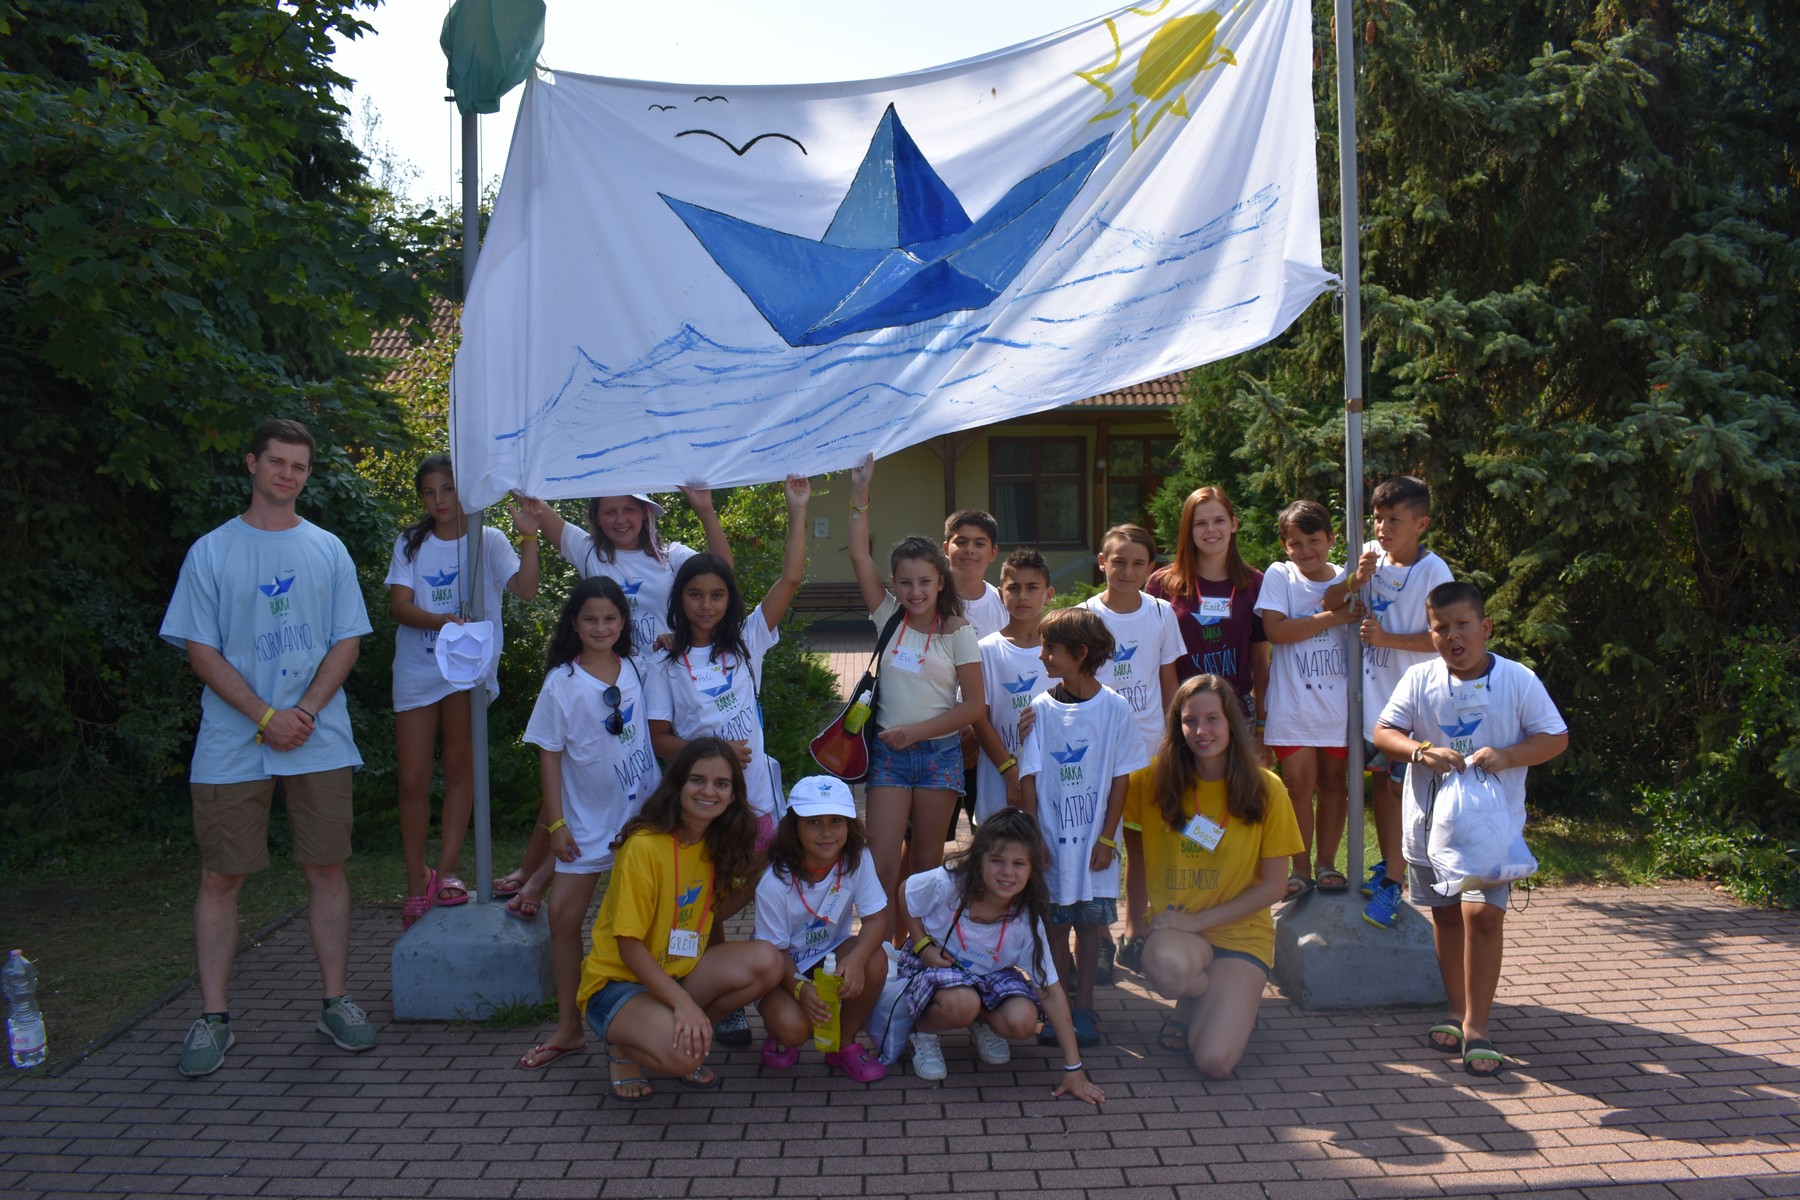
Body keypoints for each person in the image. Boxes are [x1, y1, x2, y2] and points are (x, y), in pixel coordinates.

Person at [159, 418, 377, 1077]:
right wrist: (265, 717)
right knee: (221, 876)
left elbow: (347, 641)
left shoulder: (327, 549)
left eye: (299, 466)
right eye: (277, 462)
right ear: (252, 464)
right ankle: (214, 1017)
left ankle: (335, 1002)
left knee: (327, 868)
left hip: (319, 737)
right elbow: (201, 650)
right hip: (232, 740)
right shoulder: (212, 552)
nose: (288, 474)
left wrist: (301, 713)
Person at [497, 488, 733, 903]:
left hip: (664, 684)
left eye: (629, 509)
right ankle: (531, 873)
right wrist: (512, 471)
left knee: (662, 783)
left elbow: (721, 575)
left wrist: (705, 509)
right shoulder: (589, 551)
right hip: (607, 682)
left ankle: (684, 884)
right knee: (572, 780)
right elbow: (538, 507)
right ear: (596, 516)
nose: (620, 519)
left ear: (646, 513)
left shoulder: (672, 556)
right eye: (609, 511)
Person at [1373, 581, 1568, 1077]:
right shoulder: (1419, 678)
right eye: (1441, 628)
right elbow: (1383, 732)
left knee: (1482, 917)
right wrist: (1420, 751)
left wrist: (1508, 756)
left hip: (1490, 833)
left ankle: (1479, 1027)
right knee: (1447, 918)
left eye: (1463, 625)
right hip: (1428, 829)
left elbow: (1555, 737)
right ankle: (1457, 1011)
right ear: (1431, 634)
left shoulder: (1518, 679)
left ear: (1486, 627)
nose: (1453, 636)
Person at [645, 474, 810, 1046]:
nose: (707, 605)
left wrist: (797, 508)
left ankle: (699, 960)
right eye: (695, 595)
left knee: (755, 870)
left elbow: (791, 577)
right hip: (703, 801)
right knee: (706, 886)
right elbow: (658, 739)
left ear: (728, 600)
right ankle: (715, 999)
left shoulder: (745, 641)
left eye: (717, 595)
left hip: (756, 793)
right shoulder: (665, 665)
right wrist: (709, 755)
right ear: (679, 600)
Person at [577, 738, 788, 1100]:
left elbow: (713, 913)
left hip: (678, 971)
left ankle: (684, 1028)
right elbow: (628, 945)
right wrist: (683, 1003)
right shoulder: (644, 845)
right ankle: (624, 1048)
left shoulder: (715, 841)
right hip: (617, 983)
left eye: (721, 784)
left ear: (733, 795)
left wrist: (760, 875)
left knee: (768, 962)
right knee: (685, 1056)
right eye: (697, 780)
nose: (709, 791)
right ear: (677, 784)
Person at [385, 455, 542, 927]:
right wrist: (445, 623)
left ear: (465, 490)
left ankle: (448, 870)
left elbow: (527, 590)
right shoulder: (411, 543)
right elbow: (399, 607)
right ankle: (418, 879)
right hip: (419, 670)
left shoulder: (487, 540)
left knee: (459, 769)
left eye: (448, 489)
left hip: (467, 673)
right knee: (413, 779)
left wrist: (530, 537)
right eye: (429, 492)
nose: (439, 500)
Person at [1122, 675, 1304, 1078]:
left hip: (1242, 937)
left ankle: (1212, 1004)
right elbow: (1101, 793)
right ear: (1177, 726)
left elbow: (1275, 886)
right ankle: (1199, 997)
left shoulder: (1267, 789)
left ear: (1231, 723)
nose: (1201, 731)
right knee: (1168, 970)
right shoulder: (1151, 780)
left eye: (1212, 719)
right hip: (1179, 934)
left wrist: (1199, 920)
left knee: (1214, 1061)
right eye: (1190, 721)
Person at [514, 577, 658, 1072]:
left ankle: (646, 1020)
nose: (601, 627)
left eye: (610, 618)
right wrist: (556, 824)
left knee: (639, 923)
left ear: (623, 622)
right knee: (562, 918)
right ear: (574, 623)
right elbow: (550, 757)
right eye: (590, 619)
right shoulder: (562, 683)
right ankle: (568, 1028)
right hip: (586, 824)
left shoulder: (636, 667)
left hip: (642, 821)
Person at [846, 454, 986, 927]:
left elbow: (974, 706)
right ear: (893, 584)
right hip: (889, 754)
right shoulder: (888, 615)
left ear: (940, 581)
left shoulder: (958, 631)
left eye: (925, 581)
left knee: (925, 868)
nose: (915, 591)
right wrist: (860, 493)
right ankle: (880, 950)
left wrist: (918, 732)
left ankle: (913, 950)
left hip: (940, 755)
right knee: (882, 865)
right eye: (905, 582)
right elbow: (859, 555)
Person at [879, 810, 1104, 1103]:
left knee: (1024, 1020)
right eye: (997, 860)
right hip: (934, 963)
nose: (1007, 872)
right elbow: (905, 892)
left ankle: (980, 1021)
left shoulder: (1026, 920)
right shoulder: (950, 884)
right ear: (979, 859)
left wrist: (1074, 1068)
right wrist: (923, 946)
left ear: (1032, 869)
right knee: (963, 1002)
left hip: (989, 975)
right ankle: (924, 1034)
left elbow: (1050, 991)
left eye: (1018, 863)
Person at [1322, 476, 1455, 929]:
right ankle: (1389, 865)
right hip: (1371, 701)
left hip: (1412, 704)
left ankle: (1396, 882)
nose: (1382, 528)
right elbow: (1329, 600)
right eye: (1378, 519)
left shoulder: (1433, 571)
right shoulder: (1369, 556)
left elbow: (1443, 637)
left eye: (1394, 520)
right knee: (1381, 786)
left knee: (1402, 790)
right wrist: (1356, 579)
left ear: (1421, 524)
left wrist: (1387, 639)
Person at [1016, 607, 1148, 1046]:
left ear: (1080, 652)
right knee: (1054, 929)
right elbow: (1030, 777)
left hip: (1095, 847)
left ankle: (1085, 1009)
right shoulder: (1039, 710)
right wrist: (1035, 839)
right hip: (1052, 847)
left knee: (1090, 929)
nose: (1041, 655)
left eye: (1050, 647)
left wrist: (1107, 838)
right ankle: (1058, 1011)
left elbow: (1121, 778)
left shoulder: (1115, 709)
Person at [1081, 523, 1183, 977]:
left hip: (1149, 751)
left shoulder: (1161, 613)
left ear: (1150, 568)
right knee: (1098, 845)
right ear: (1102, 561)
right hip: (1097, 754)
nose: (1126, 571)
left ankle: (1134, 932)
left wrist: (1175, 742)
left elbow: (1168, 681)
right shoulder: (1083, 617)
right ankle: (1099, 937)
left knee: (1141, 846)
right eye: (1118, 561)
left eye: (1137, 563)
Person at [751, 776, 891, 1082]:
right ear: (794, 827)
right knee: (793, 1030)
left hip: (828, 956)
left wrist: (855, 961)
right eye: (813, 822)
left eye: (836, 821)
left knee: (874, 958)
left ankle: (843, 1045)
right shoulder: (775, 882)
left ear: (849, 825)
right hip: (779, 968)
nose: (827, 832)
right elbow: (774, 952)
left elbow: (876, 919)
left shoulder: (857, 858)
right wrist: (800, 990)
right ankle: (779, 1026)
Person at [1255, 500, 1357, 897]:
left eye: (1314, 540)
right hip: (1293, 707)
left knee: (1333, 784)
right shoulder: (1280, 575)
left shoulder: (1348, 580)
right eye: (1295, 543)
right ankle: (1299, 869)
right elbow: (1277, 632)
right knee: (1297, 785)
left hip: (1338, 710)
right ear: (1285, 545)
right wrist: (1333, 617)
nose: (1305, 551)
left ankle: (1326, 863)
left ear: (1331, 539)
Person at [1147, 485, 1270, 716]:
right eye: (1200, 523)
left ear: (1234, 524)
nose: (1210, 529)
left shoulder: (1255, 583)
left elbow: (1261, 660)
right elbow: (1154, 661)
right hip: (1184, 717)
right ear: (1189, 530)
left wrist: (1263, 720)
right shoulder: (1161, 585)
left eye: (1219, 520)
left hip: (1239, 716)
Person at [972, 549, 1057, 825]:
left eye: (1032, 587)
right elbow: (979, 719)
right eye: (1014, 588)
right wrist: (1009, 772)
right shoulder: (985, 650)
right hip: (1000, 780)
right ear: (1001, 594)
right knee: (1001, 848)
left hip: (1054, 778)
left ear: (1049, 593)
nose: (1022, 596)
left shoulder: (1062, 649)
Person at [944, 508, 1005, 841]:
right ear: (946, 547)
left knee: (990, 837)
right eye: (961, 541)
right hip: (938, 735)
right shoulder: (928, 600)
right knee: (927, 839)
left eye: (979, 543)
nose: (969, 550)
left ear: (993, 552)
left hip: (988, 739)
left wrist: (977, 736)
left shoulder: (1004, 604)